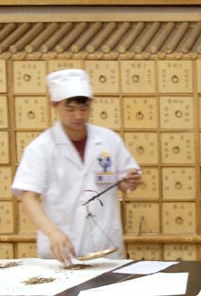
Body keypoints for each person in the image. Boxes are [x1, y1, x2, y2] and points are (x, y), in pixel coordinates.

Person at [12, 69, 142, 265]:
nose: (78, 116)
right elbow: (29, 198)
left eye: (84, 108)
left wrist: (130, 181)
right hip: (62, 250)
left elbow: (125, 182)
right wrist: (51, 231)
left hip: (106, 249)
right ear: (54, 105)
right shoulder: (41, 148)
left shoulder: (108, 140)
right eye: (70, 109)